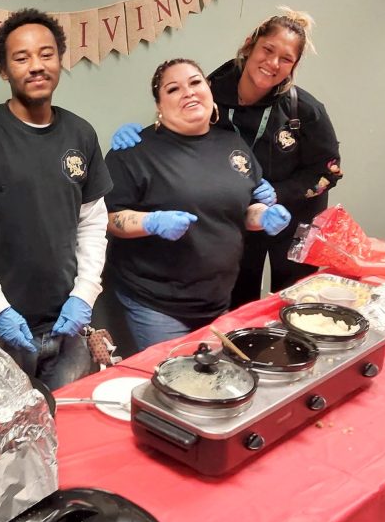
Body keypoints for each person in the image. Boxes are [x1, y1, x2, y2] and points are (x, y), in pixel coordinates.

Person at [110, 8, 341, 307]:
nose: (273, 64)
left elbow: (329, 171)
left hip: (292, 216)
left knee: (298, 298)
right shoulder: (211, 89)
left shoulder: (304, 109)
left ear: (294, 66)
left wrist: (277, 195)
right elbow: (179, 118)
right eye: (267, 50)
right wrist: (138, 135)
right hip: (238, 213)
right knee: (240, 299)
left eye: (285, 59)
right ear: (250, 45)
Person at [0, 8, 112, 389]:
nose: (36, 66)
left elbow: (94, 223)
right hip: (0, 333)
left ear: (60, 61)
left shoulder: (81, 135)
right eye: (22, 57)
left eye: (46, 54)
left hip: (70, 329)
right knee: (1, 439)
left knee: (69, 432)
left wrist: (84, 296)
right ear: (3, 70)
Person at [105, 58, 292, 349]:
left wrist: (264, 216)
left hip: (217, 299)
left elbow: (241, 211)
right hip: (157, 304)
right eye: (173, 89)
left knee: (213, 381)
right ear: (159, 105)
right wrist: (151, 223)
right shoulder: (133, 152)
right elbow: (111, 218)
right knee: (177, 384)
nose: (189, 92)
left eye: (195, 82)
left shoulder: (233, 145)